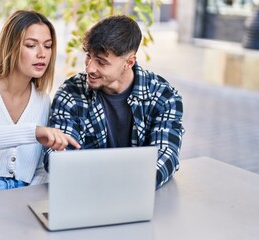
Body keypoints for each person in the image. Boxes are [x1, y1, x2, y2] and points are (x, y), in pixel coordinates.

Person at [0, 10, 80, 239]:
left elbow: (39, 168)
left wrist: (35, 197)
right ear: (11, 46)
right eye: (31, 45)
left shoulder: (41, 99)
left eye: (48, 46)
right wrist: (32, 132)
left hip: (26, 197)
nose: (42, 54)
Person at [44, 15, 184, 189]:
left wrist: (132, 186)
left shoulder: (164, 96)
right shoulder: (71, 93)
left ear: (129, 62)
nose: (89, 68)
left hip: (140, 193)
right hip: (86, 193)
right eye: (89, 56)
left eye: (101, 62)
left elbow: (166, 154)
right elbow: (59, 158)